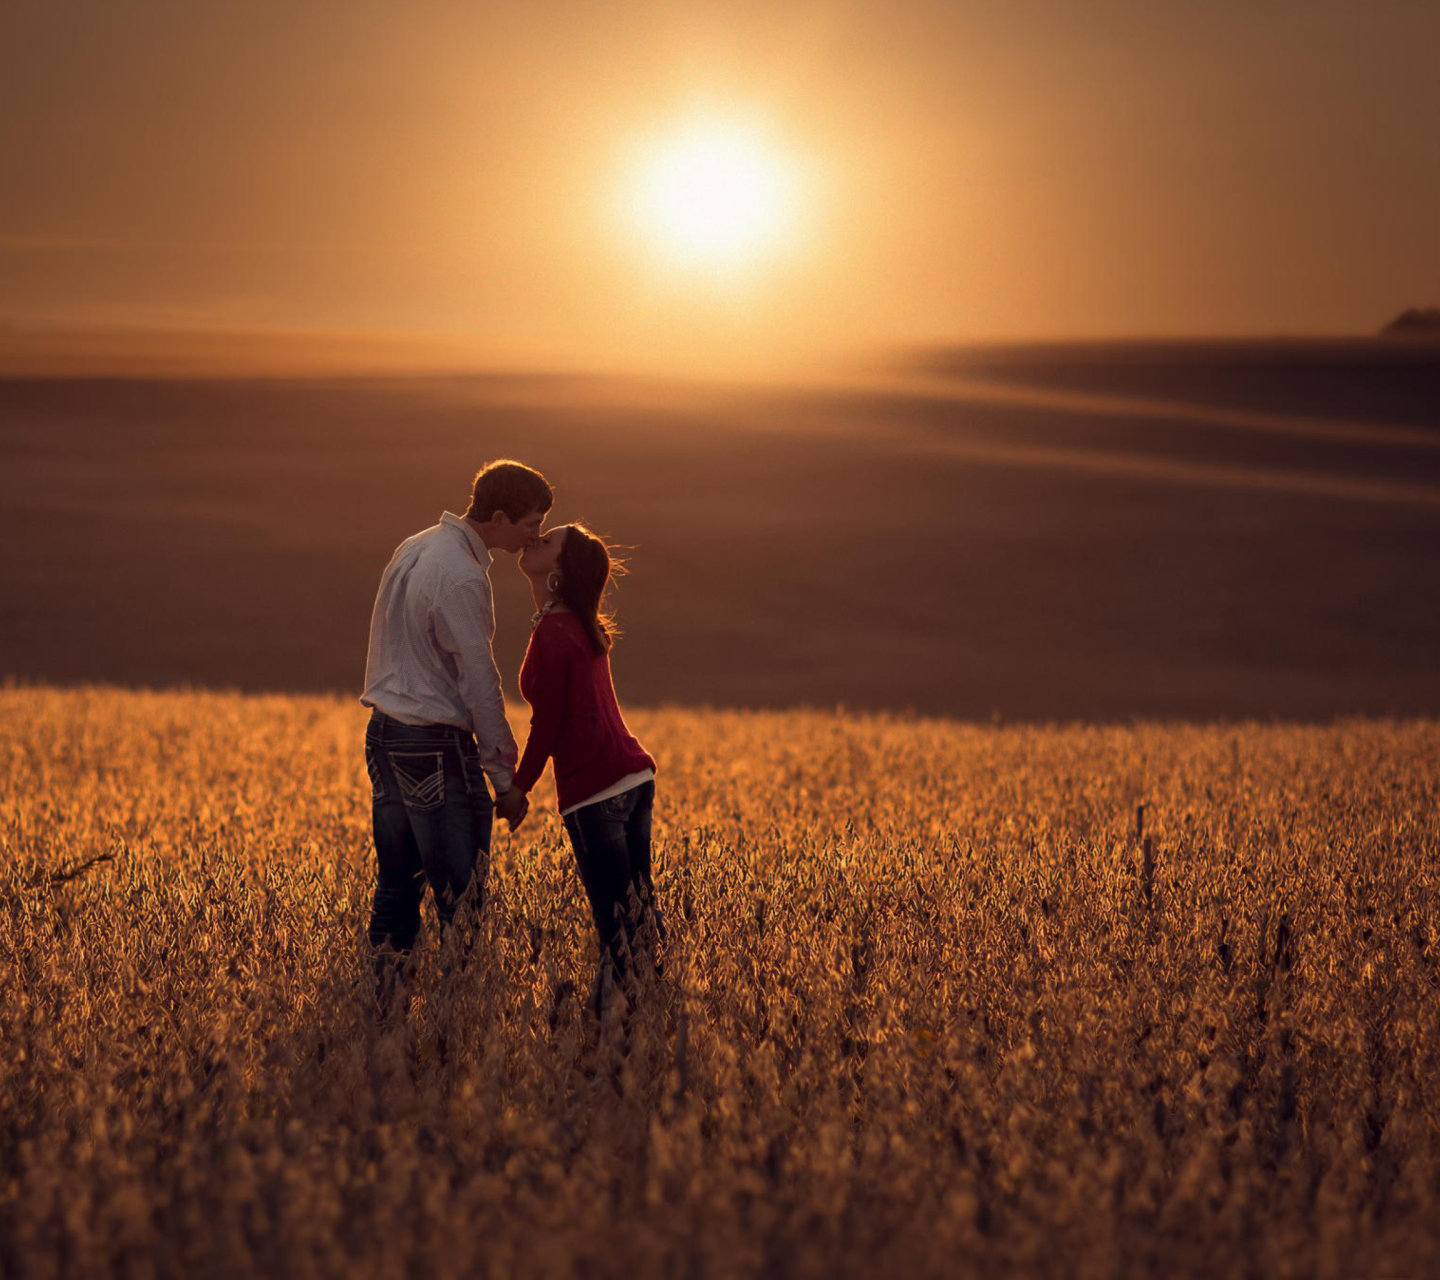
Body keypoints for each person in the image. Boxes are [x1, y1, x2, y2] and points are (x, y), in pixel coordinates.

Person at [359, 460, 550, 1002]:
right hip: (434, 743)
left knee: (397, 889)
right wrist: (504, 778)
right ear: (498, 517)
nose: (535, 533)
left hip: (384, 734)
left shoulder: (417, 545)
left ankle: (381, 1015)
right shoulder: (463, 576)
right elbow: (479, 681)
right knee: (461, 903)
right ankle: (456, 1025)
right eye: (531, 523)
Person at [512, 523, 660, 1011]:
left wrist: (518, 788)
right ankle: (649, 1019)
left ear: (559, 570)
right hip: (633, 777)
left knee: (615, 930)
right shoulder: (578, 623)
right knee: (639, 918)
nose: (534, 541)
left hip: (596, 792)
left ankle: (608, 1038)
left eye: (547, 541)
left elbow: (548, 725)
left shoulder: (556, 631)